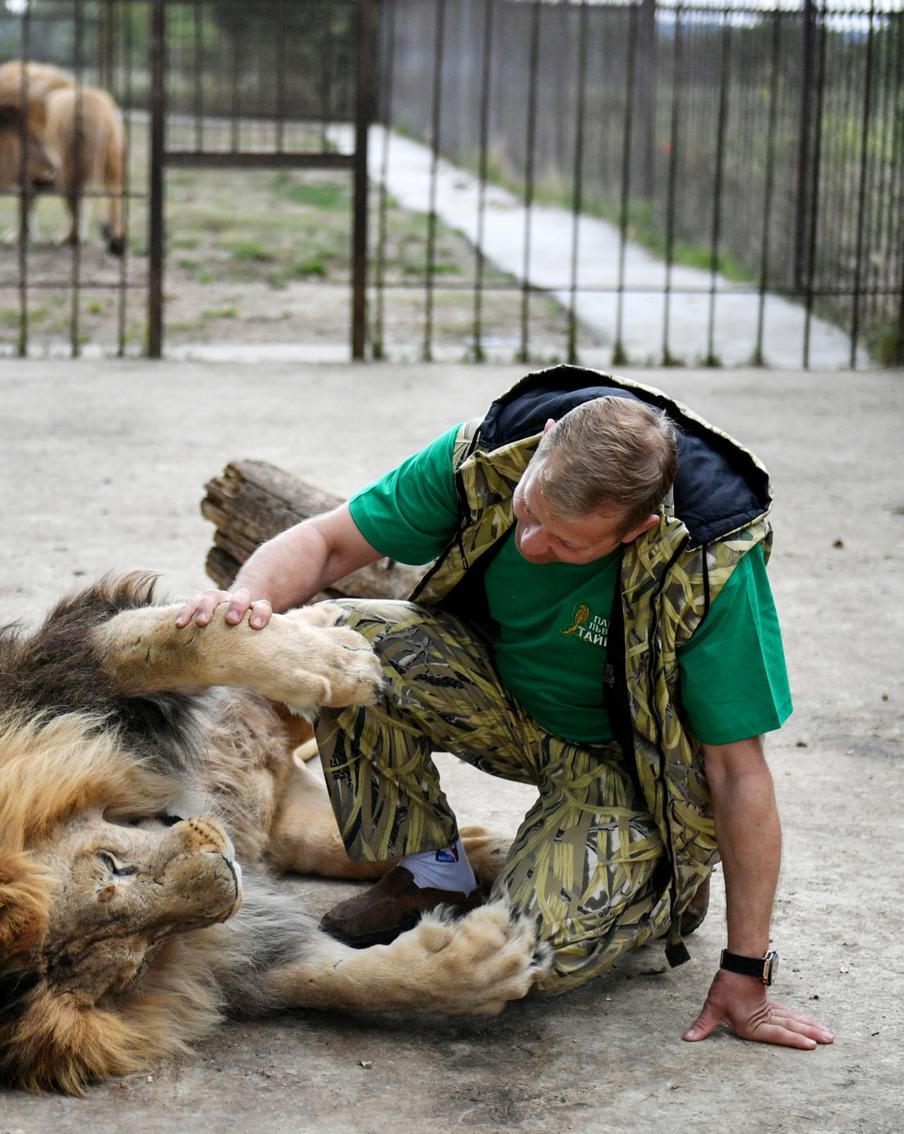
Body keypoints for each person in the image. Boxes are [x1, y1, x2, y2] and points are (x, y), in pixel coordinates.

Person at [177, 366, 833, 1050]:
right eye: (528, 510)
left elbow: (739, 773)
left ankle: (657, 880)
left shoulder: (711, 565)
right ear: (546, 443)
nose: (531, 544)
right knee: (345, 642)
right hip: (503, 697)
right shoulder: (490, 454)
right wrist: (240, 602)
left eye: (567, 542)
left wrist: (745, 969)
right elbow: (329, 542)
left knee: (515, 958)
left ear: (635, 532)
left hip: (626, 769)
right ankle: (432, 875)